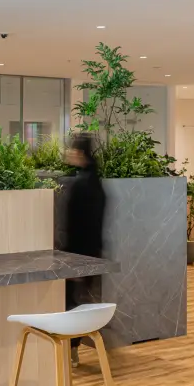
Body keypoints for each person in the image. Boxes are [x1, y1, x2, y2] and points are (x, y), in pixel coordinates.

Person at [62, 134, 106, 363]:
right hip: (91, 252)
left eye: (71, 150)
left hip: (78, 254)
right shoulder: (95, 181)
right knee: (79, 302)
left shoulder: (82, 184)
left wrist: (73, 260)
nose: (68, 153)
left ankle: (71, 350)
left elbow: (77, 225)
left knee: (71, 303)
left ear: (79, 153)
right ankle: (73, 349)